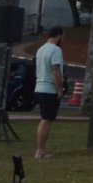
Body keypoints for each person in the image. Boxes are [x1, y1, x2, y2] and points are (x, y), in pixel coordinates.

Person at [34, 26, 66, 160]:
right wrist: (60, 88)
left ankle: (41, 148)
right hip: (49, 89)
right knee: (46, 120)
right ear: (59, 35)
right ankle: (40, 150)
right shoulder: (56, 50)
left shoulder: (41, 49)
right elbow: (56, 70)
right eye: (63, 36)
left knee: (45, 119)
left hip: (39, 87)